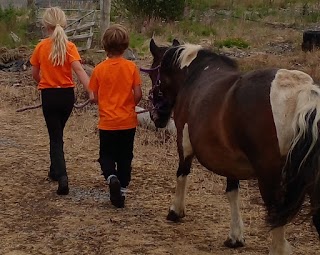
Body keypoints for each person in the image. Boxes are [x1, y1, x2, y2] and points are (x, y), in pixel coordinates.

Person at [30, 7, 93, 195]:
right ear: (63, 23)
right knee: (57, 134)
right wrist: (91, 91)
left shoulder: (40, 47)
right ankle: (53, 170)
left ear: (45, 25)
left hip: (49, 96)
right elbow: (79, 71)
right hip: (67, 96)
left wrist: (45, 82)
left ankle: (62, 176)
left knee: (55, 136)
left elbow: (34, 73)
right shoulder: (70, 47)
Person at [89, 24, 142, 208]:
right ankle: (123, 187)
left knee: (106, 155)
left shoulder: (98, 70)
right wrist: (130, 105)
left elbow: (93, 97)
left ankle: (111, 177)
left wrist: (101, 101)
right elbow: (138, 94)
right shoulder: (132, 67)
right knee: (126, 156)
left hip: (107, 123)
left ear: (104, 45)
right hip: (128, 122)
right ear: (126, 45)